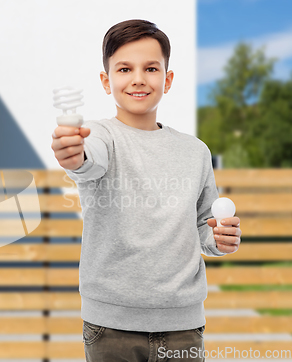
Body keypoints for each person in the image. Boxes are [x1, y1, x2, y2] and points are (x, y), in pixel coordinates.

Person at [50, 19, 242, 362]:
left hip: (183, 323)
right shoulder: (98, 136)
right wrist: (73, 155)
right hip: (109, 326)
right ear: (106, 82)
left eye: (151, 68)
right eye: (125, 68)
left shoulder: (195, 151)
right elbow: (87, 161)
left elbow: (204, 224)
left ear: (167, 80)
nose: (138, 78)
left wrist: (219, 240)